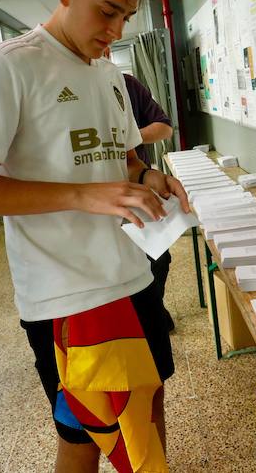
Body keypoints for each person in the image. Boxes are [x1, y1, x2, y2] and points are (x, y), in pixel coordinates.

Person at [0, 0, 187, 473]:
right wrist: (80, 194)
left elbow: (123, 159)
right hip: (64, 296)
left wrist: (149, 177)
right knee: (84, 433)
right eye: (106, 11)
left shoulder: (111, 75)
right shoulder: (10, 65)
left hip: (132, 275)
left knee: (150, 398)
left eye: (126, 18)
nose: (114, 30)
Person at [116, 63, 176, 331]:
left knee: (159, 258)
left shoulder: (127, 85)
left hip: (140, 184)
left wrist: (131, 137)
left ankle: (154, 308)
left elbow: (164, 127)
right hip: (105, 201)